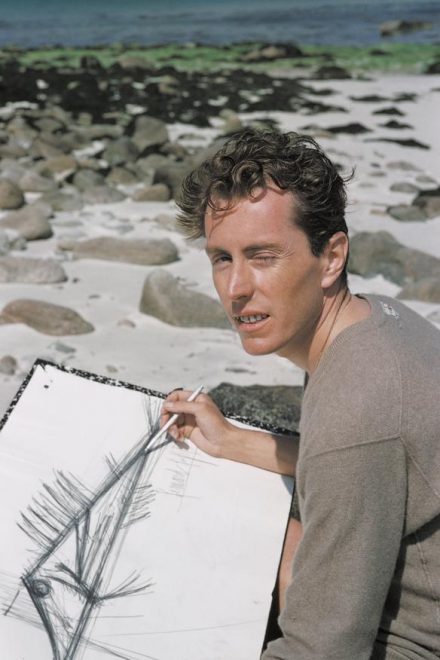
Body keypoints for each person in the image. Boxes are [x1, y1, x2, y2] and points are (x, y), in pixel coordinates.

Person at [160, 129, 440, 659]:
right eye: (222, 258)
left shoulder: (358, 400)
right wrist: (231, 441)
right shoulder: (375, 321)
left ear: (331, 257)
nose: (236, 288)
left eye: (262, 256)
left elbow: (322, 650)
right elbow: (362, 463)